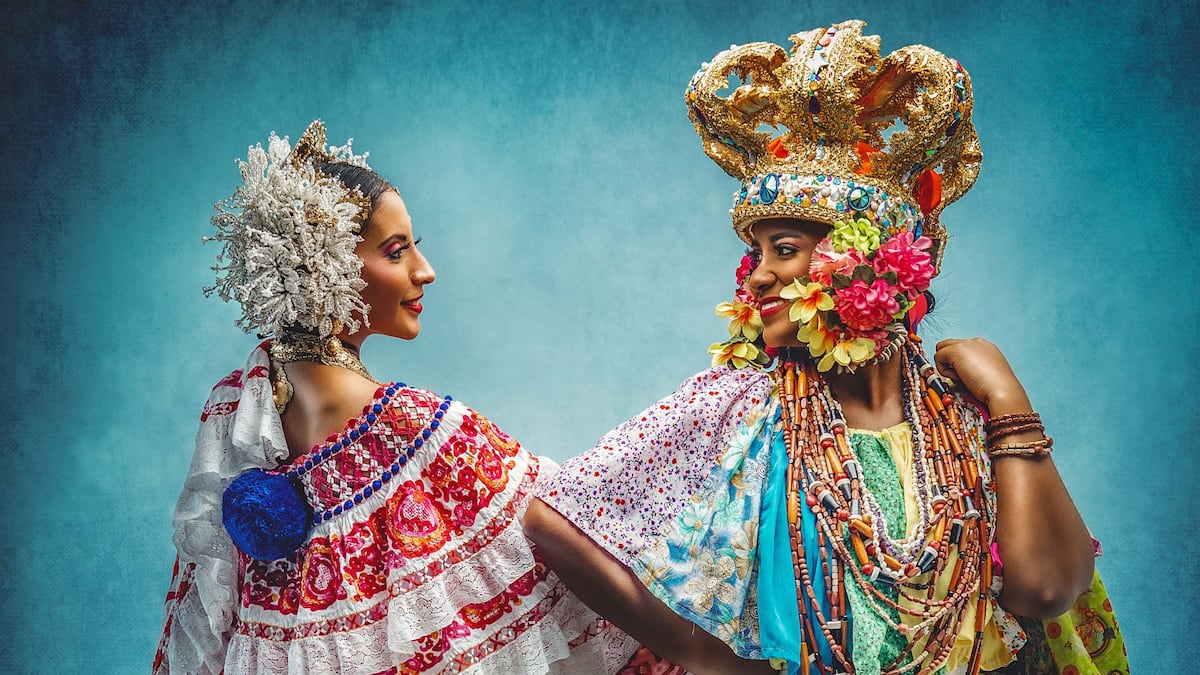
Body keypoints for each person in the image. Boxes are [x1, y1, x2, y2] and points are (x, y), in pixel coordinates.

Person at [525, 21, 1127, 674]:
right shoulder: (740, 408)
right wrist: (698, 652)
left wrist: (1010, 401)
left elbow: (1044, 587)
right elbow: (555, 519)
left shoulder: (965, 414)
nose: (756, 275)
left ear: (867, 256)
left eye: (783, 250)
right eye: (753, 253)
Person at [152, 121, 638, 673]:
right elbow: (570, 536)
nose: (424, 272)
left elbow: (206, 610)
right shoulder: (415, 427)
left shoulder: (239, 406)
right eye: (395, 251)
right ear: (323, 268)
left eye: (414, 249)